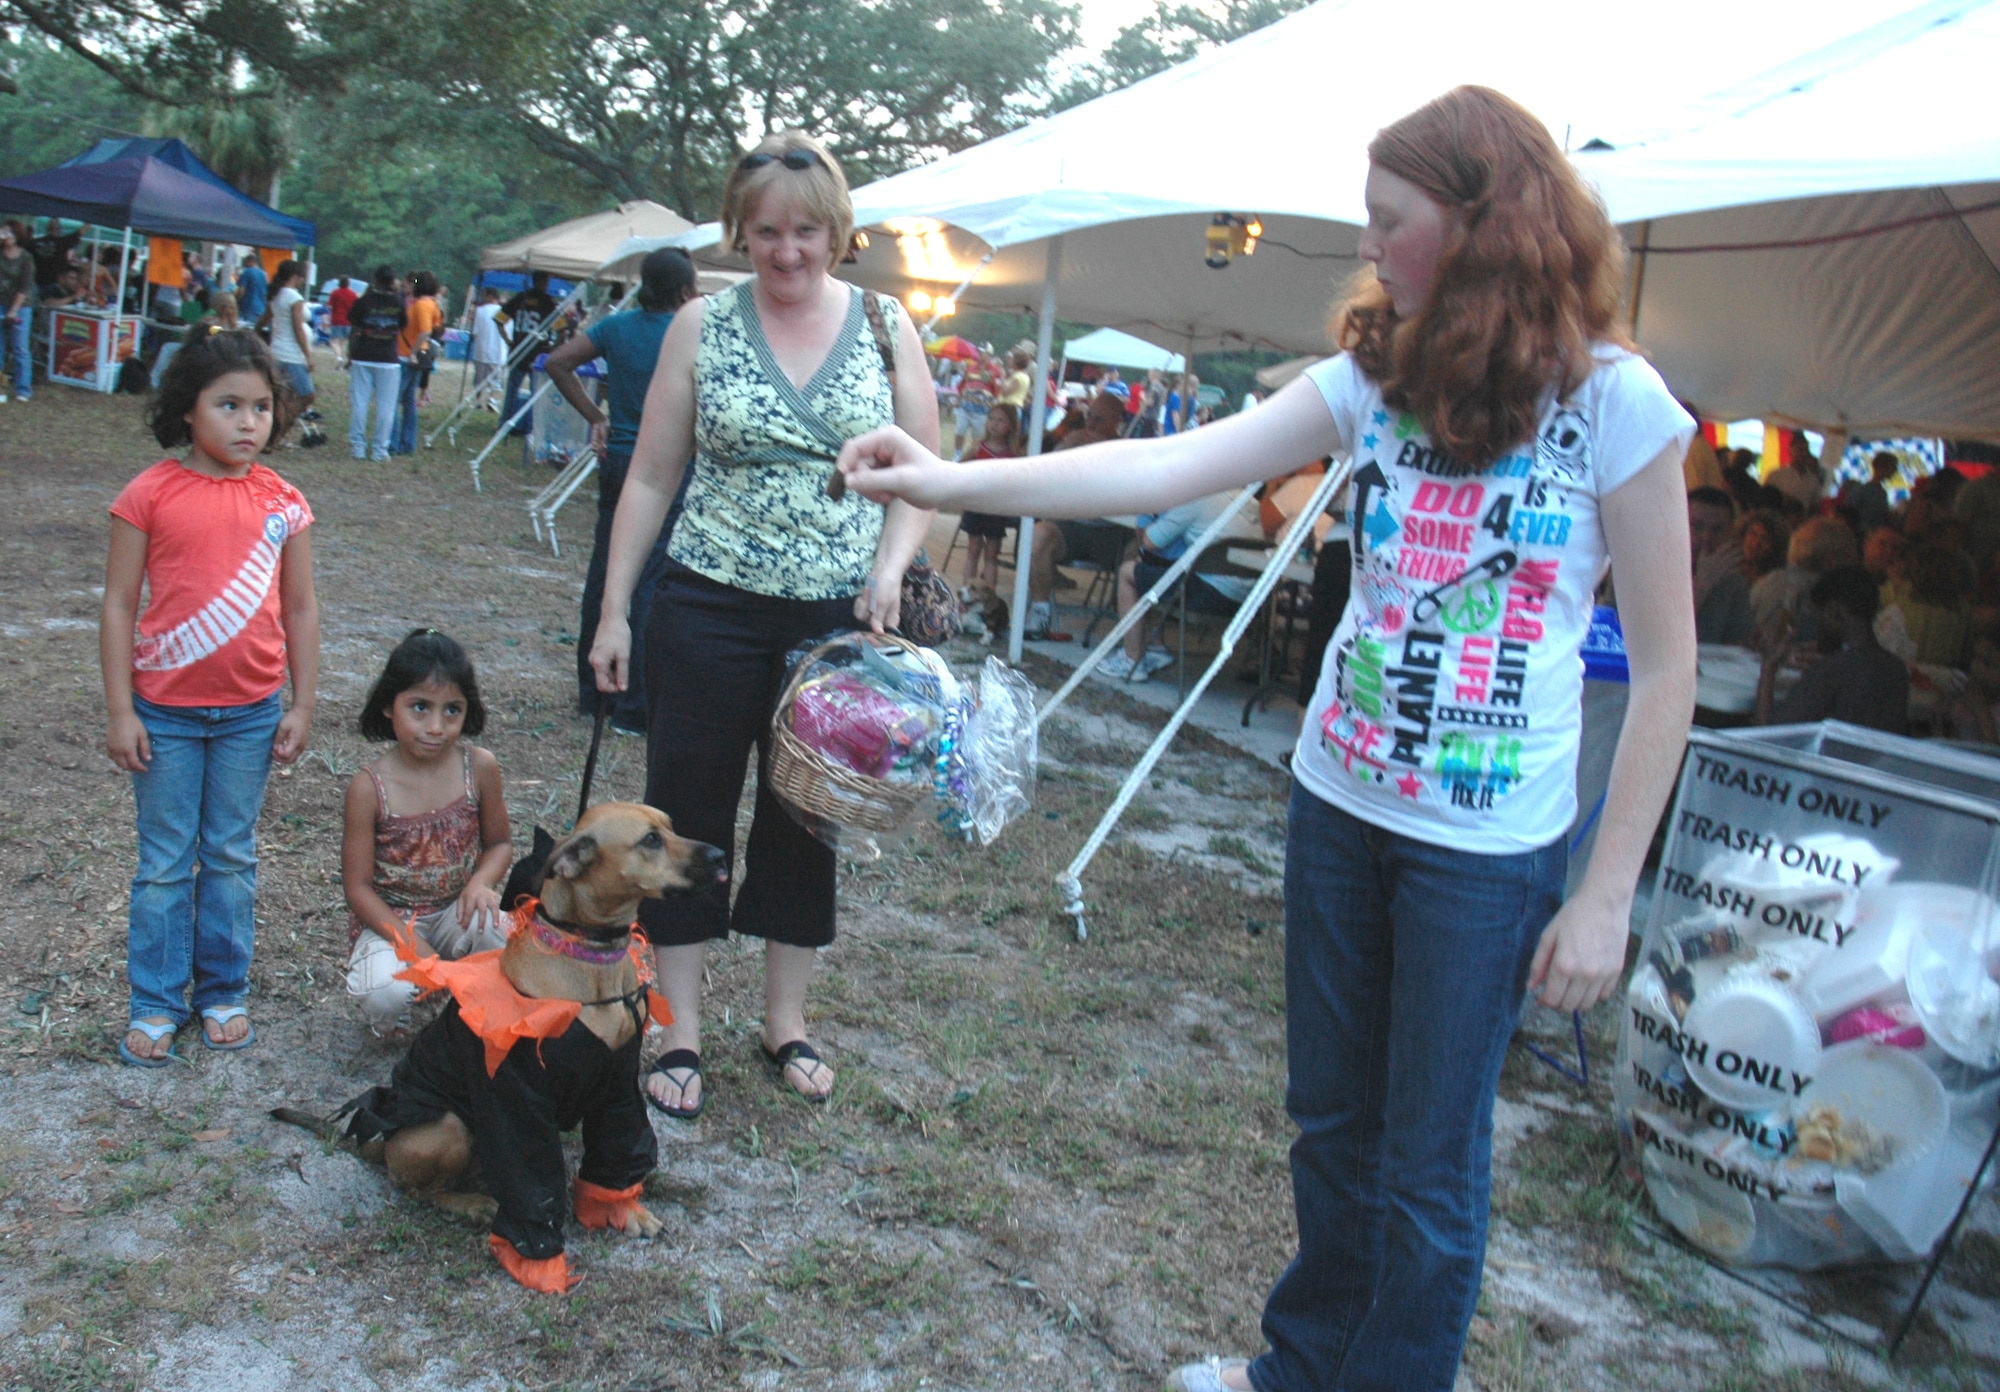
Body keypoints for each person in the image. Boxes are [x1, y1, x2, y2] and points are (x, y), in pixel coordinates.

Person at [835, 85, 1696, 1392]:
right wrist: (947, 479)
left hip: (1487, 852)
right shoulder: (1372, 381)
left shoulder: (1618, 405)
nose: (1369, 247)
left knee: (1427, 1167)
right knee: (1333, 1131)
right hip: (1340, 806)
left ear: (1477, 227)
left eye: (1387, 222)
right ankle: (1300, 1371)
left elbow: (1673, 666)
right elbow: (1162, 470)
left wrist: (1606, 895)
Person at [588, 130, 939, 1120]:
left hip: (833, 622)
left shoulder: (884, 325)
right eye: (767, 233)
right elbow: (652, 471)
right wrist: (616, 608)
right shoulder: (702, 324)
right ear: (740, 233)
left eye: (806, 233)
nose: (787, 254)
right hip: (705, 605)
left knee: (806, 817)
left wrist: (887, 569)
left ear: (837, 231)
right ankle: (679, 1028)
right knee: (688, 813)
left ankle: (784, 1020)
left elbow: (922, 475)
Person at [101, 327, 320, 1066]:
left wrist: (302, 702)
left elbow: (300, 609)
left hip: (251, 715)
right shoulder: (148, 495)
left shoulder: (284, 503)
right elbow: (117, 605)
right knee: (164, 862)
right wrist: (121, 710)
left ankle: (222, 991)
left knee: (229, 856)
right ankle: (156, 1002)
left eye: (261, 407)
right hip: (163, 713)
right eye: (228, 405)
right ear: (187, 411)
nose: (248, 422)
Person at [544, 247, 700, 733]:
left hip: (619, 460)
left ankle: (594, 696)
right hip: (668, 466)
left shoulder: (617, 327)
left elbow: (557, 362)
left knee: (606, 575)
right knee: (652, 578)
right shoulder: (690, 334)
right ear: (684, 291)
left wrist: (597, 418)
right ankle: (635, 705)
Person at [342, 629, 513, 1035]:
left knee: (508, 943)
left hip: (458, 908)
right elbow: (358, 889)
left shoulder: (480, 767)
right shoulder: (369, 788)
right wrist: (411, 945)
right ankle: (398, 1021)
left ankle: (474, 1003)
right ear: (388, 705)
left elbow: (500, 844)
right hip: (393, 921)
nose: (436, 726)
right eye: (420, 707)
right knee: (385, 990)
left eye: (451, 710)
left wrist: (481, 882)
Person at [1098, 492, 1255, 681]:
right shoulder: (1248, 500)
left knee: (1128, 573)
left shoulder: (1197, 499)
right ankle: (1156, 647)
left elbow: (1149, 541)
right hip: (1248, 602)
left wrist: (1147, 511)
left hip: (1210, 592)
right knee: (1154, 572)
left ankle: (1132, 660)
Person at [1755, 566, 1907, 733]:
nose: (1818, 628)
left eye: (1819, 617)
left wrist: (1769, 667)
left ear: (1835, 611)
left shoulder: (1831, 670)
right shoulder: (1897, 670)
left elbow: (1768, 732)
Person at [957, 402, 1023, 591]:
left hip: (997, 508)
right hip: (977, 505)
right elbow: (960, 466)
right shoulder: (979, 447)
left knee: (992, 553)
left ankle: (989, 594)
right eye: (991, 419)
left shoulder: (1014, 454)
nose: (994, 424)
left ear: (1011, 425)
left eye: (1001, 420)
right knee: (973, 550)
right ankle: (967, 591)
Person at [345, 265, 406, 461]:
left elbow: (354, 328)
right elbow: (403, 325)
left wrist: (350, 353)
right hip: (388, 358)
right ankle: (380, 449)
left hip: (363, 355)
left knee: (359, 402)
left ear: (375, 279)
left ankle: (358, 447)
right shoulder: (399, 303)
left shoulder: (364, 301)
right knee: (386, 407)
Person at [1689, 486, 1755, 646]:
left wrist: (1754, 642)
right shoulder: (1655, 568)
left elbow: (1737, 641)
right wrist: (1702, 584)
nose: (1706, 537)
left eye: (1717, 530)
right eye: (1696, 526)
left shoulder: (1731, 579)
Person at [499, 270, 559, 437]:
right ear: (545, 281)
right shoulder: (548, 303)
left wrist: (509, 341)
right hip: (537, 355)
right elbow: (561, 328)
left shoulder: (520, 298)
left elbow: (498, 319)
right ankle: (532, 429)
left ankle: (504, 424)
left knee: (512, 391)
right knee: (536, 395)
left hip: (518, 351)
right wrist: (555, 348)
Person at [393, 271, 442, 455]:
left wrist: (413, 352)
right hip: (414, 357)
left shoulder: (421, 304)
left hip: (407, 356)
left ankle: (394, 442)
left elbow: (425, 331)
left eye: (414, 283)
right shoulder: (433, 304)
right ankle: (407, 443)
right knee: (409, 402)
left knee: (395, 401)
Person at [265, 259, 316, 423]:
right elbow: (298, 328)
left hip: (276, 350)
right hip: (291, 353)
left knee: (281, 396)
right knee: (307, 394)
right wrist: (307, 356)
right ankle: (284, 424)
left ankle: (275, 430)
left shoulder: (276, 294)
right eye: (302, 277)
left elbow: (266, 317)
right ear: (295, 276)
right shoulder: (295, 297)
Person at [0, 221, 34, 404]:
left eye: (9, 233)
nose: (6, 236)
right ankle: (0, 388)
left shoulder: (26, 258)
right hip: (0, 302)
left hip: (21, 306)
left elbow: (25, 286)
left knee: (20, 348)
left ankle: (23, 389)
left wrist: (13, 310)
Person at [470, 287, 507, 410]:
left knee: (479, 378)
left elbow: (475, 332)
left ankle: (478, 401)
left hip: (481, 350)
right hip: (498, 351)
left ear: (490, 296)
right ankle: (492, 398)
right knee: (496, 379)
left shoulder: (479, 311)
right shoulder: (504, 312)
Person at [327, 276, 359, 368]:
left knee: (334, 341)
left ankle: (338, 357)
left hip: (336, 319)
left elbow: (330, 306)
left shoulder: (335, 293)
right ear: (348, 283)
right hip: (348, 321)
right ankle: (342, 359)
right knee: (343, 342)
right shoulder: (353, 294)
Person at [236, 252, 269, 330]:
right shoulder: (264, 274)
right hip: (261, 309)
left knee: (246, 334)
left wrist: (235, 300)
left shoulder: (247, 272)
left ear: (249, 261)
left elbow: (241, 291)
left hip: (249, 307)